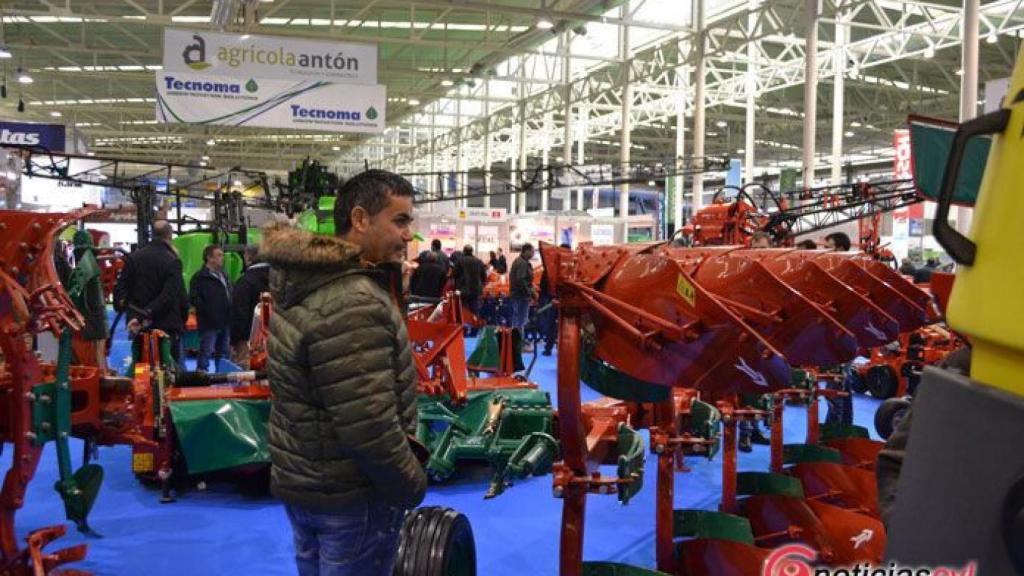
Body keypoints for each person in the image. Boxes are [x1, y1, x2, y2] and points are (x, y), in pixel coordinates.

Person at [262, 169, 426, 576]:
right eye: (400, 221)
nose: (409, 236)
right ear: (359, 219)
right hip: (352, 496)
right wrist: (410, 485)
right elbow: (368, 423)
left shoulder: (308, 281)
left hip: (308, 484)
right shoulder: (353, 301)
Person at [113, 220, 189, 363]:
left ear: (152, 235)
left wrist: (135, 316)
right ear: (170, 236)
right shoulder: (173, 261)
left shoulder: (133, 258)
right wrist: (149, 312)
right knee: (169, 370)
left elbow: (120, 290)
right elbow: (171, 295)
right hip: (167, 325)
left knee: (141, 367)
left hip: (138, 326)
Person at [189, 245, 232, 372]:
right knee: (205, 353)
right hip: (209, 323)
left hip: (226, 321)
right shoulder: (199, 277)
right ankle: (201, 377)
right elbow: (193, 298)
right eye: (219, 255)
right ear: (209, 258)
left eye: (222, 255)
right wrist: (207, 311)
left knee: (224, 354)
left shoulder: (224, 275)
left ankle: (223, 378)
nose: (222, 258)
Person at [230, 245, 271, 367]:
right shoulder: (279, 279)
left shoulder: (245, 282)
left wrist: (235, 340)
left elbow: (239, 313)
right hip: (276, 339)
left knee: (245, 374)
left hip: (249, 340)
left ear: (247, 257)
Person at [509, 243, 535, 352]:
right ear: (526, 251)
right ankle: (518, 344)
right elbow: (521, 280)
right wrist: (529, 292)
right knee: (520, 320)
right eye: (532, 251)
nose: (533, 254)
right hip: (521, 296)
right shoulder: (522, 263)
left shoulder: (520, 262)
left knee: (518, 320)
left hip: (518, 295)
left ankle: (516, 343)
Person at [454, 245, 487, 321]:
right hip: (476, 290)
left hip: (462, 291)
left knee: (463, 311)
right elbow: (484, 277)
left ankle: (465, 328)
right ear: (472, 251)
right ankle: (474, 328)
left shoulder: (459, 261)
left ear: (464, 251)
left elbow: (454, 274)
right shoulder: (479, 261)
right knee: (475, 311)